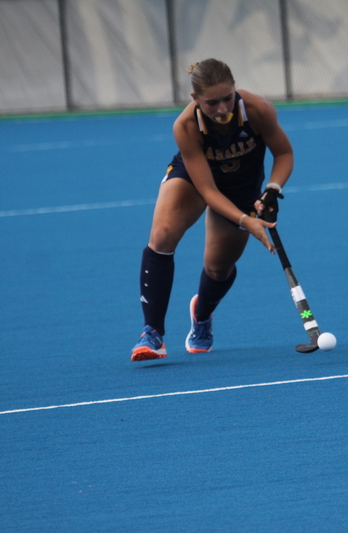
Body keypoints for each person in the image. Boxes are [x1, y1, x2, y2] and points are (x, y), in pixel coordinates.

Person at [131, 58, 293, 361]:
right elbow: (207, 190)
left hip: (242, 185)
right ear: (195, 99)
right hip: (194, 179)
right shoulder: (186, 126)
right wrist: (246, 220)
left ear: (235, 89)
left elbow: (283, 153)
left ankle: (202, 314)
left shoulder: (257, 110)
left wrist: (272, 190)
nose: (222, 109)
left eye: (227, 99)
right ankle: (152, 334)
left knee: (218, 267)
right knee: (163, 234)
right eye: (211, 103)